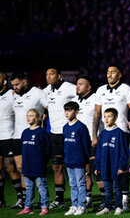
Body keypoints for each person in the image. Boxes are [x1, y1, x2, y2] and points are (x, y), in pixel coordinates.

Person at [93, 64, 130, 210]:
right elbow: (96, 114)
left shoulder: (126, 89)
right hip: (105, 133)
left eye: (113, 72)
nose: (109, 74)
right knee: (107, 165)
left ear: (119, 75)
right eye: (107, 72)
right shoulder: (100, 90)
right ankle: (108, 202)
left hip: (122, 131)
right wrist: (94, 134)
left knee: (122, 166)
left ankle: (124, 198)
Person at [10, 71, 48, 208]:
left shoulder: (38, 93)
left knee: (36, 170)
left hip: (33, 135)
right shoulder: (13, 95)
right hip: (17, 136)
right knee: (21, 168)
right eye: (13, 85)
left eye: (17, 84)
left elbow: (49, 107)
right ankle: (26, 201)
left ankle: (42, 199)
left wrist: (44, 117)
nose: (14, 87)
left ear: (25, 81)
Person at [43, 67, 76, 208]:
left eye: (51, 74)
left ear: (59, 76)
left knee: (75, 166)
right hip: (54, 134)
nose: (48, 76)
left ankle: (83, 199)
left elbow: (82, 95)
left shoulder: (69, 88)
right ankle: (60, 199)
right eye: (46, 74)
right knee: (57, 167)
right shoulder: (46, 91)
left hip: (68, 133)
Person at [94, 108, 129, 216]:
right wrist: (98, 166)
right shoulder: (103, 134)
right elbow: (99, 152)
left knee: (117, 188)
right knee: (107, 189)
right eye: (105, 117)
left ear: (116, 118)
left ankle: (119, 207)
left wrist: (121, 166)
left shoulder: (119, 133)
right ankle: (107, 207)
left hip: (115, 166)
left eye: (109, 116)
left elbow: (124, 151)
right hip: (105, 166)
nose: (106, 119)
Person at [72, 76, 99, 208]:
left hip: (92, 140)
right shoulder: (74, 101)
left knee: (94, 170)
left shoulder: (96, 99)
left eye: (81, 84)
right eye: (77, 84)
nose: (77, 86)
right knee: (83, 171)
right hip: (78, 142)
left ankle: (106, 199)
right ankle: (88, 199)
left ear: (89, 87)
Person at [17, 109, 50, 215]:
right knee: (29, 187)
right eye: (27, 115)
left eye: (31, 116)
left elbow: (47, 149)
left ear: (37, 118)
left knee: (41, 186)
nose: (28, 117)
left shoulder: (41, 132)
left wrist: (43, 161)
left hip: (38, 165)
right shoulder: (25, 132)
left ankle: (44, 206)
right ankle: (28, 207)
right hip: (27, 165)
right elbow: (23, 148)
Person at [62, 101, 91, 216]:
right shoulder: (65, 127)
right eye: (65, 110)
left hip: (79, 160)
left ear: (76, 112)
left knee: (80, 184)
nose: (67, 113)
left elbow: (86, 145)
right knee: (72, 184)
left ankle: (82, 206)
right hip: (69, 161)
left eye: (69, 110)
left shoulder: (81, 127)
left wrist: (87, 160)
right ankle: (74, 205)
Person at [0, 70, 21, 208]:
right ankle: (1, 200)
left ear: (4, 82)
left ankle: (20, 198)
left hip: (9, 135)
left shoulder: (12, 95)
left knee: (10, 167)